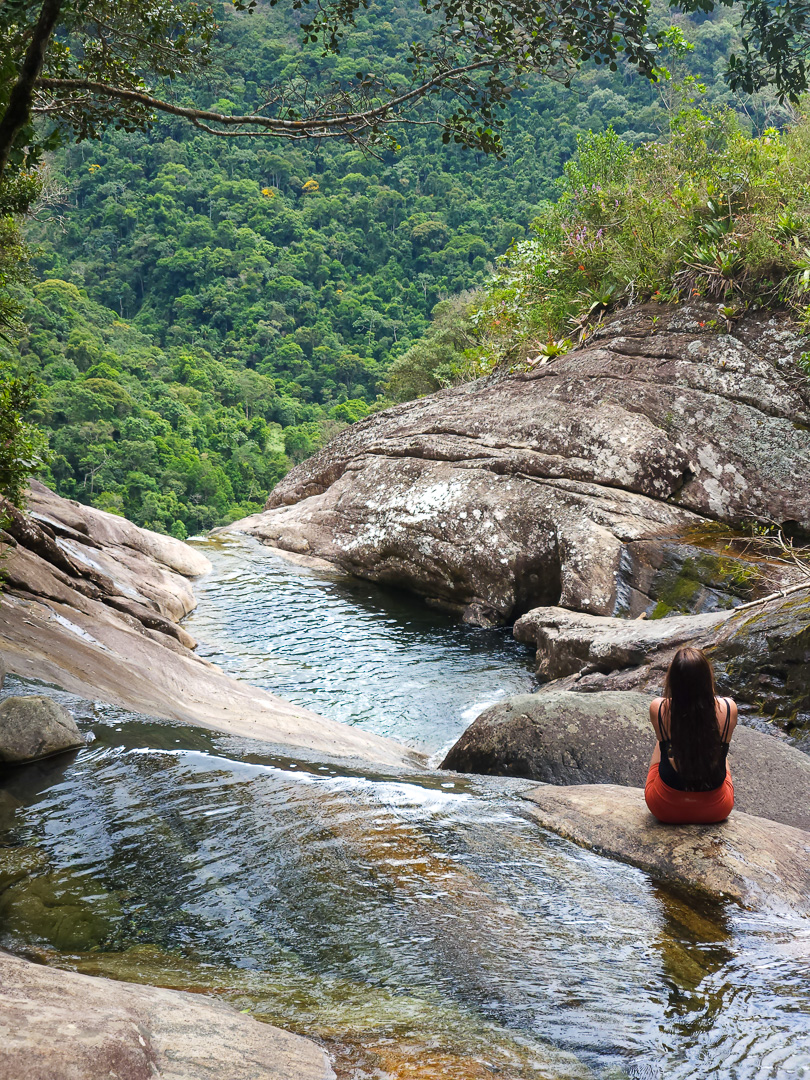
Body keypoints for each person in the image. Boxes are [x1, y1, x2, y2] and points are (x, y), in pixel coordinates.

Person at [645, 646, 737, 824]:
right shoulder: (728, 707)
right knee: (717, 746)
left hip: (665, 808)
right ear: (706, 677)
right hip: (716, 810)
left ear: (673, 680)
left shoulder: (659, 708)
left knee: (663, 741)